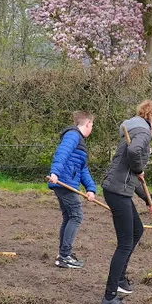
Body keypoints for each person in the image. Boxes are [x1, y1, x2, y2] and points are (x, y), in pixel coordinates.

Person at [98, 100, 152, 304]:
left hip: (119, 189)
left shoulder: (135, 129)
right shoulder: (144, 132)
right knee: (125, 243)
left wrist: (149, 200)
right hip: (117, 192)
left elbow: (133, 179)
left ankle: (119, 281)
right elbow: (134, 155)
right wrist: (139, 168)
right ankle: (109, 298)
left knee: (137, 230)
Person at [47, 111, 96, 269]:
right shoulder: (73, 135)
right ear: (87, 124)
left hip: (67, 182)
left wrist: (90, 189)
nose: (92, 129)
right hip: (64, 182)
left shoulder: (79, 140)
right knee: (76, 216)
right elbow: (62, 153)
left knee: (69, 216)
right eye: (92, 125)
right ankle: (64, 256)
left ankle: (63, 254)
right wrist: (55, 173)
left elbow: (82, 169)